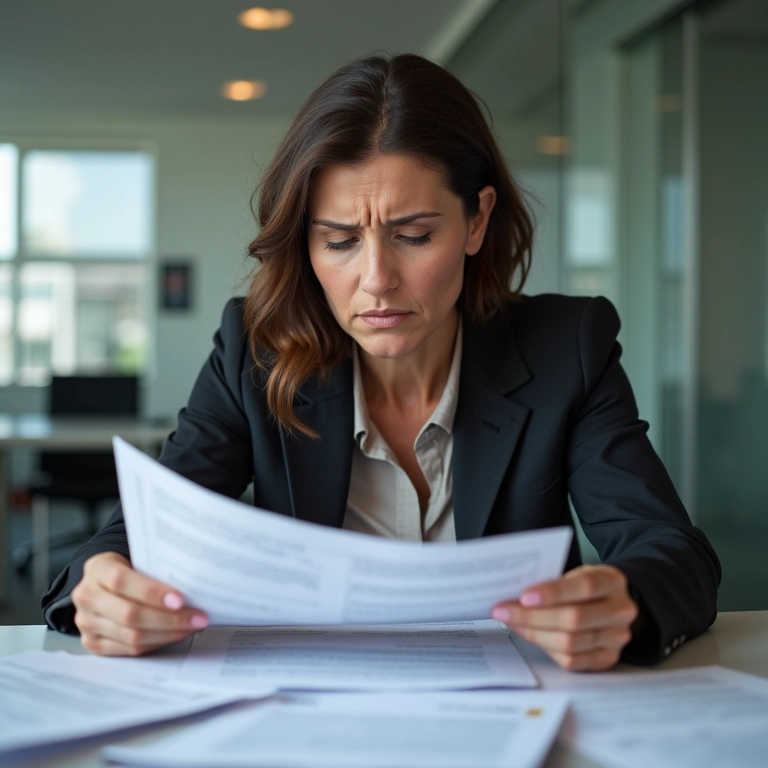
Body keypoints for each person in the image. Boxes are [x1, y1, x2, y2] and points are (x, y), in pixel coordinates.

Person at [42, 53, 720, 670]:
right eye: (339, 241)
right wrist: (101, 585)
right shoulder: (255, 351)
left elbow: (674, 552)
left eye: (415, 235)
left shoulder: (566, 347)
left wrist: (624, 597)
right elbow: (131, 536)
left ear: (477, 221)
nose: (376, 279)